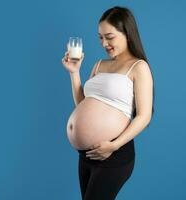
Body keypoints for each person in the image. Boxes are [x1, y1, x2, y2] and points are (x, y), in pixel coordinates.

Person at [62, 6, 155, 200]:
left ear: (127, 34)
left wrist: (114, 145)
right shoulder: (99, 65)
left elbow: (144, 116)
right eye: (100, 37)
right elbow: (82, 104)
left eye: (109, 37)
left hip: (114, 154)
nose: (104, 43)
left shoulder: (138, 67)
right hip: (86, 155)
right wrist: (74, 72)